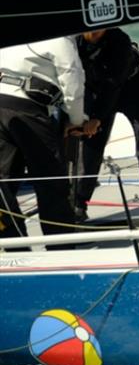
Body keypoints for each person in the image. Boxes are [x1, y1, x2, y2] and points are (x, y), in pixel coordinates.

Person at [74, 29, 139, 221]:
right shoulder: (72, 42)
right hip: (96, 90)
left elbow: (113, 83)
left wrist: (97, 117)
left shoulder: (119, 39)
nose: (96, 32)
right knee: (90, 142)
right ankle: (78, 203)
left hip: (133, 86)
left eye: (101, 28)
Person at [0, 37, 91, 246]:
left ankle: (11, 244)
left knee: (4, 183)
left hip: (1, 102)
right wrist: (75, 120)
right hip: (28, 110)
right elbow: (72, 78)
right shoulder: (59, 36)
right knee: (51, 182)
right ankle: (61, 245)